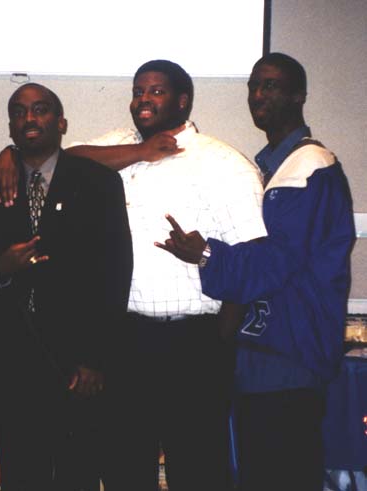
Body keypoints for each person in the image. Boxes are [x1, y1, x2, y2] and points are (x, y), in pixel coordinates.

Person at [63, 60, 267, 491]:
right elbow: (67, 160)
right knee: (124, 465)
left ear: (182, 100)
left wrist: (219, 340)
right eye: (138, 91)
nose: (143, 100)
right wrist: (141, 152)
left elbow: (251, 259)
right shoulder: (121, 144)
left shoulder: (223, 163)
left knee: (197, 468)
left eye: (156, 91)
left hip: (193, 343)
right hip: (125, 339)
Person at [156, 53, 355, 491]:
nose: (258, 95)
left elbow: (275, 260)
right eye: (253, 86)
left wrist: (206, 253)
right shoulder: (269, 167)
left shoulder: (309, 169)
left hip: (290, 357)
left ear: (299, 96)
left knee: (282, 474)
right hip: (260, 355)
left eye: (271, 85)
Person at [0, 83, 133, 491]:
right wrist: (2, 269)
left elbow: (115, 271)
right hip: (14, 360)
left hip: (76, 359)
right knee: (21, 472)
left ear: (61, 122)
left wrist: (95, 358)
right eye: (19, 112)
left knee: (77, 472)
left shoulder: (98, 181)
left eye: (40, 109)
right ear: (11, 127)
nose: (29, 119)